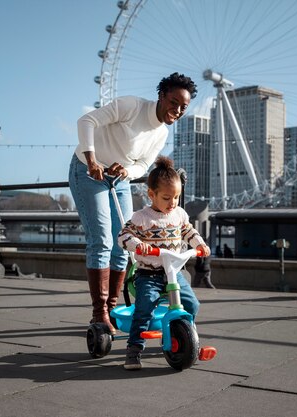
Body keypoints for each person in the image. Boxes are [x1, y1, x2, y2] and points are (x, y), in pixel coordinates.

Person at [69, 73, 198, 335]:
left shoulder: (161, 133)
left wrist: (126, 170)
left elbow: (142, 164)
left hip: (118, 180)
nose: (177, 110)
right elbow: (87, 121)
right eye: (174, 102)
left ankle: (113, 310)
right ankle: (99, 314)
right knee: (102, 241)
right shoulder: (131, 106)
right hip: (87, 171)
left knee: (123, 242)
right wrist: (92, 160)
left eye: (183, 107)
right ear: (161, 96)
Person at [117, 156, 211, 370]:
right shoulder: (142, 217)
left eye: (176, 197)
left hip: (173, 273)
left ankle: (184, 334)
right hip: (148, 274)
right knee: (144, 309)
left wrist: (200, 244)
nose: (173, 203)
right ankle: (134, 350)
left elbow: (188, 230)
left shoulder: (179, 214)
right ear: (152, 194)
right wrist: (138, 245)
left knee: (192, 304)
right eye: (167, 198)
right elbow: (123, 236)